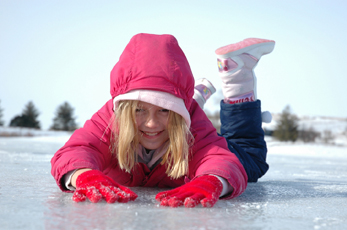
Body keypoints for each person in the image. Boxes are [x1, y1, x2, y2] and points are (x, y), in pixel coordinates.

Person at [50, 33, 274, 208]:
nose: (151, 123)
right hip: (181, 112)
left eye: (165, 110)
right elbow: (76, 150)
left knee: (251, 160)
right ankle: (191, 96)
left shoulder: (192, 123)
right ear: (124, 109)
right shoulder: (110, 119)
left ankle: (238, 82)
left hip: (188, 125)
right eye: (139, 110)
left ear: (180, 110)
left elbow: (219, 158)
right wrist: (82, 175)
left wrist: (212, 179)